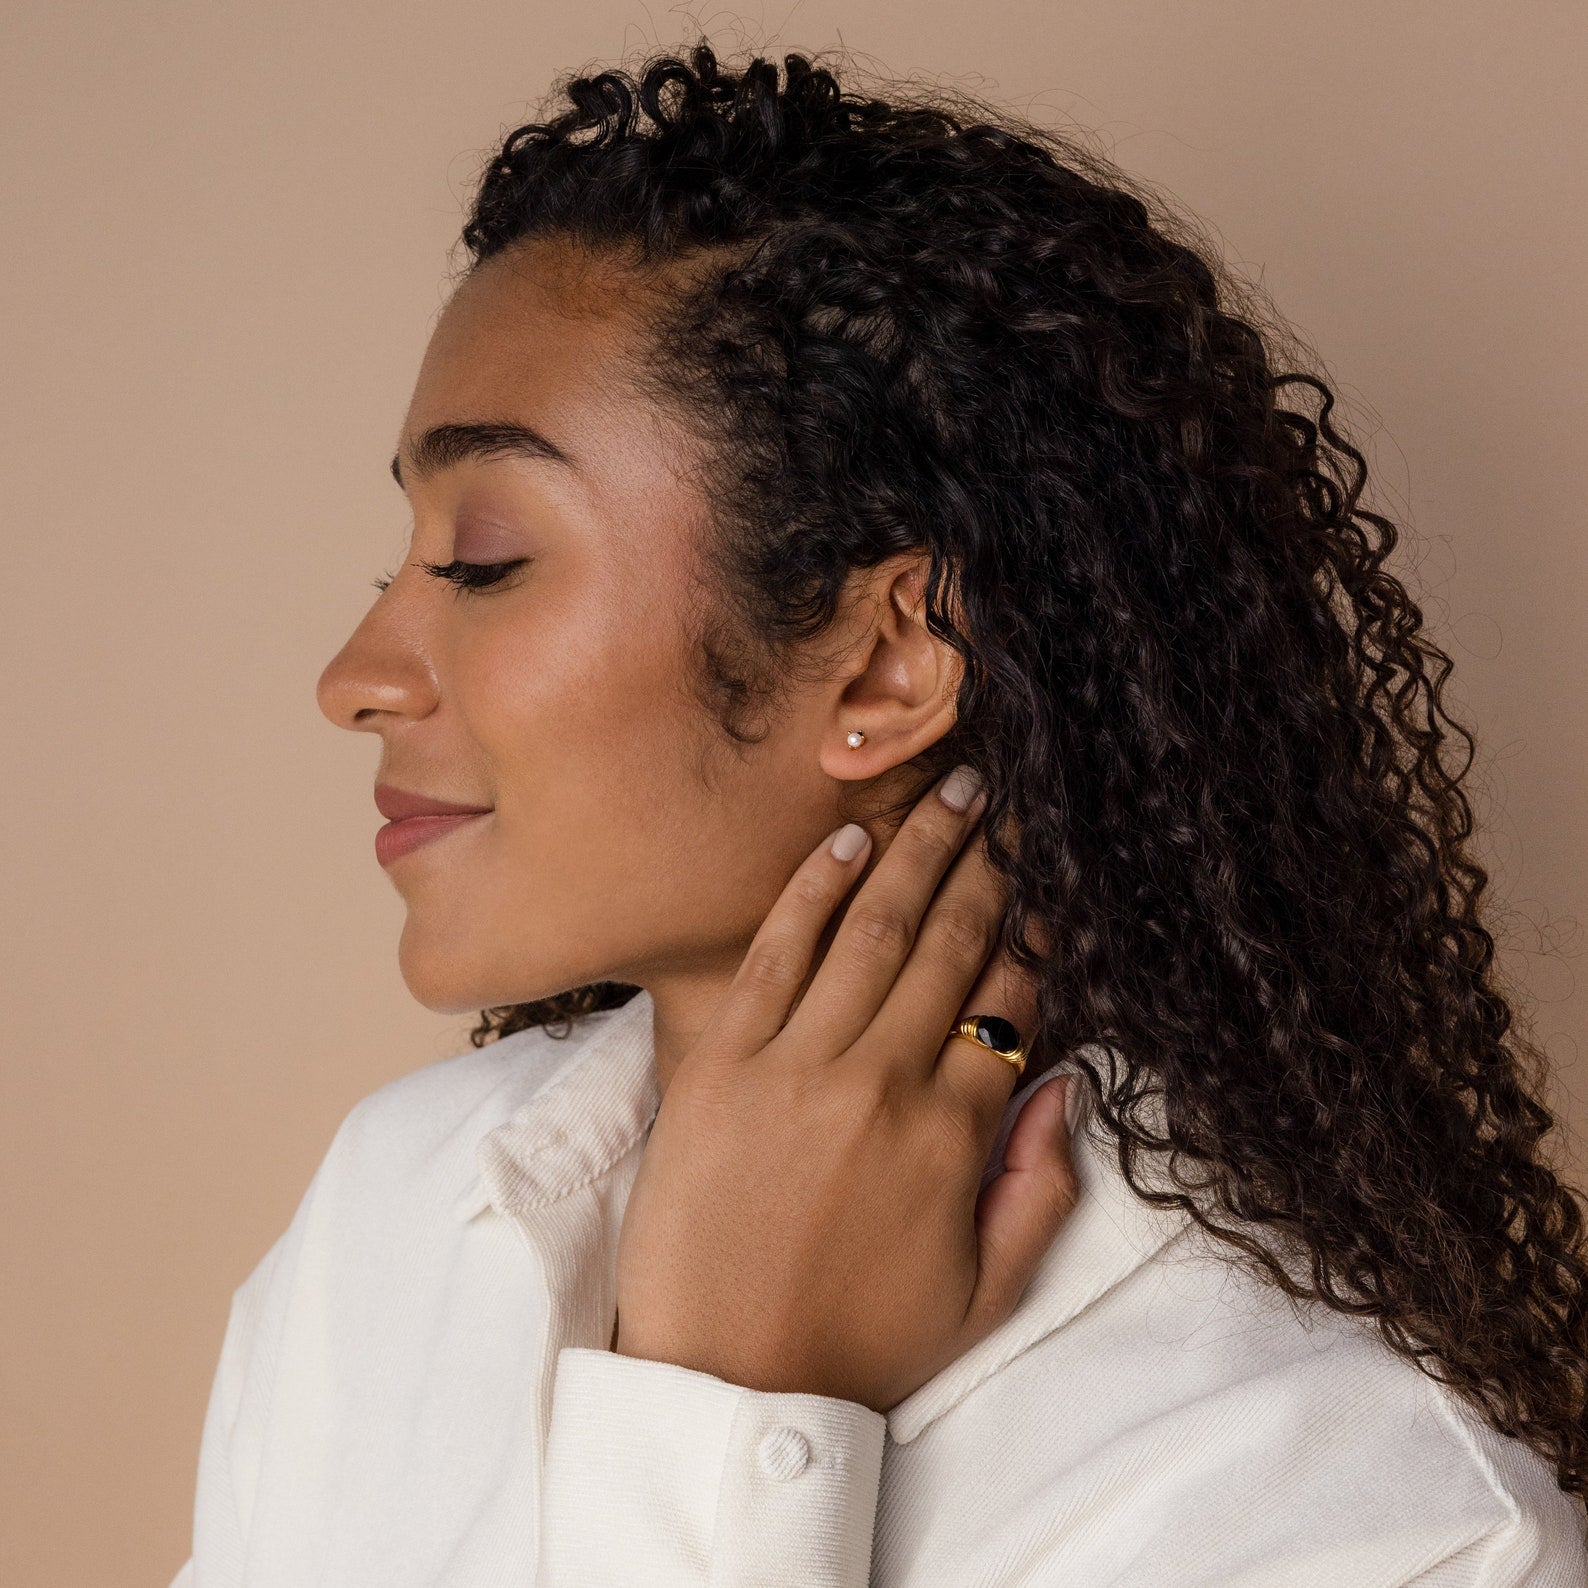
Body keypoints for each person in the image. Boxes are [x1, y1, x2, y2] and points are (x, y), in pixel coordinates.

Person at [170, 40, 1588, 1586]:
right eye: (403, 555)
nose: (354, 676)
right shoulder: (398, 1214)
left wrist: (736, 1410)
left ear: (893, 658)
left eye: (488, 558)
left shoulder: (1381, 1520)